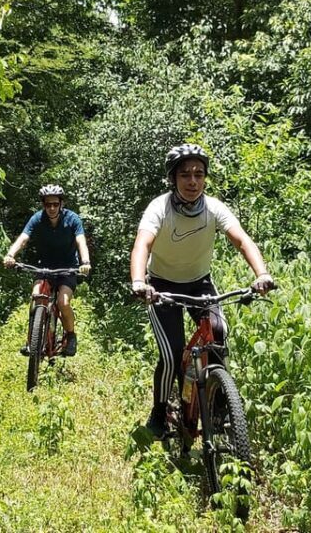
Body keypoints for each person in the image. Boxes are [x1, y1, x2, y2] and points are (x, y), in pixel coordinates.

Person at [130, 143, 274, 438]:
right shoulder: (160, 208)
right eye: (185, 175)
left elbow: (242, 241)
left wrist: (261, 273)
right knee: (171, 354)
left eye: (199, 174)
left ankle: (220, 402)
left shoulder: (213, 208)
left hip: (200, 283)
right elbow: (142, 244)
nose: (193, 181)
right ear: (173, 179)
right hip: (161, 286)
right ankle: (159, 410)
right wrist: (139, 282)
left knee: (218, 334)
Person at [4, 184, 91, 357]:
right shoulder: (37, 219)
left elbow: (81, 241)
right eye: (48, 204)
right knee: (37, 296)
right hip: (44, 266)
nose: (51, 208)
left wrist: (86, 261)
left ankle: (71, 336)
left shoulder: (72, 219)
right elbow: (23, 239)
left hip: (67, 268)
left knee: (63, 302)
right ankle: (32, 340)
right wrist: (10, 255)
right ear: (43, 205)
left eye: (55, 204)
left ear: (61, 204)